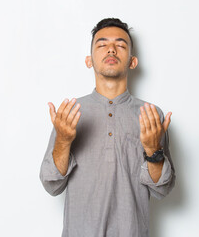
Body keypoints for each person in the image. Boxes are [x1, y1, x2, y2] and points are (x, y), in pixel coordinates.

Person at [39, 18, 176, 237]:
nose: (111, 49)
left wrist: (153, 151)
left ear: (132, 61)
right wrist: (63, 142)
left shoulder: (151, 115)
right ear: (89, 60)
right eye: (102, 45)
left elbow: (163, 189)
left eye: (121, 45)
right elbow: (51, 184)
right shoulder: (70, 113)